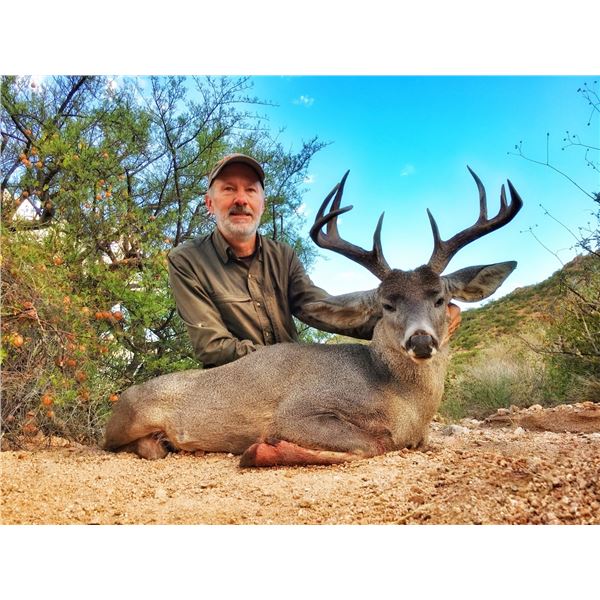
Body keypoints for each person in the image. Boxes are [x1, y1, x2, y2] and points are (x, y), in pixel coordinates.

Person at [168, 153, 460, 368]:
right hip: (233, 384)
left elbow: (320, 310)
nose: (241, 199)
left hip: (292, 381)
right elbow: (212, 347)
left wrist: (416, 318)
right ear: (210, 203)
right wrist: (291, 360)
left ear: (262, 203)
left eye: (251, 190)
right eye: (229, 189)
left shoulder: (282, 255)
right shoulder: (187, 260)